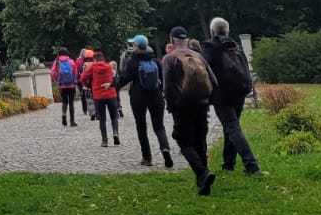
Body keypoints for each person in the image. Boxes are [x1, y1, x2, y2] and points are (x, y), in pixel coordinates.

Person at [162, 26, 219, 195]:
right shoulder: (199, 57)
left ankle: (202, 173)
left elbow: (167, 86)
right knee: (200, 140)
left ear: (172, 40)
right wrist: (208, 100)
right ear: (187, 39)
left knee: (183, 141)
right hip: (202, 104)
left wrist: (171, 105)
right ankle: (203, 181)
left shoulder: (169, 59)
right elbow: (214, 81)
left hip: (182, 105)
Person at [203, 17, 260, 175]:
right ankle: (229, 164)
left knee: (232, 128)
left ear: (212, 31)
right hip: (239, 92)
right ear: (227, 31)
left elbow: (203, 67)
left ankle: (252, 165)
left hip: (222, 95)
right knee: (231, 127)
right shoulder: (235, 46)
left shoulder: (210, 47)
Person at [115, 33, 173, 168]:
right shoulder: (155, 61)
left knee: (141, 127)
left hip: (138, 98)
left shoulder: (132, 61)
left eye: (133, 44)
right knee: (159, 126)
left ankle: (147, 157)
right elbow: (163, 79)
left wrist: (113, 86)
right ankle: (165, 148)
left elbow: (124, 78)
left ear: (136, 46)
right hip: (156, 96)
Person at [80, 50, 121, 147]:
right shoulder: (108, 66)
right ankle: (115, 133)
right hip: (111, 94)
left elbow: (83, 78)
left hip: (98, 96)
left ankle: (104, 140)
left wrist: (88, 85)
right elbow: (114, 78)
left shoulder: (93, 67)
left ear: (94, 59)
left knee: (102, 119)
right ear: (103, 58)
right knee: (114, 116)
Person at [50, 47, 81, 126]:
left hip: (62, 86)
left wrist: (57, 79)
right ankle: (72, 121)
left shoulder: (57, 62)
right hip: (71, 85)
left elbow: (52, 72)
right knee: (71, 103)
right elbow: (75, 72)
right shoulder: (71, 61)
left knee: (64, 102)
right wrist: (74, 80)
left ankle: (64, 115)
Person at [78, 47, 96, 120]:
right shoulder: (95, 63)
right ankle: (97, 111)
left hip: (87, 85)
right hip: (94, 84)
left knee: (89, 100)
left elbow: (81, 74)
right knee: (95, 98)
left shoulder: (84, 64)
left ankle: (92, 112)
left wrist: (83, 83)